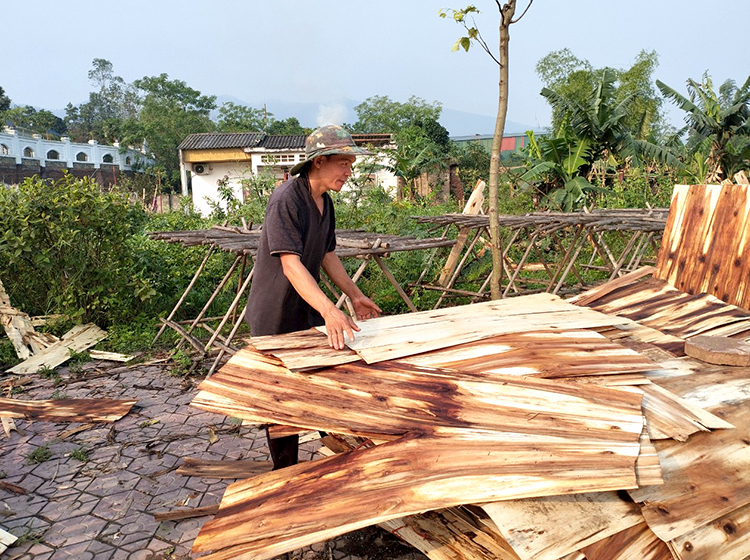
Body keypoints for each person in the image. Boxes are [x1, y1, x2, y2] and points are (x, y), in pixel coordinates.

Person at [245, 124, 382, 469]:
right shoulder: (286, 199)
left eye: (351, 164)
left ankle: (337, 463)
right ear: (318, 162)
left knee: (320, 388)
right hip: (275, 315)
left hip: (305, 311)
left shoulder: (326, 203)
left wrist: (354, 296)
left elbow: (327, 254)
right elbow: (291, 266)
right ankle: (285, 475)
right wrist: (330, 311)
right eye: (343, 163)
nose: (349, 172)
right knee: (282, 401)